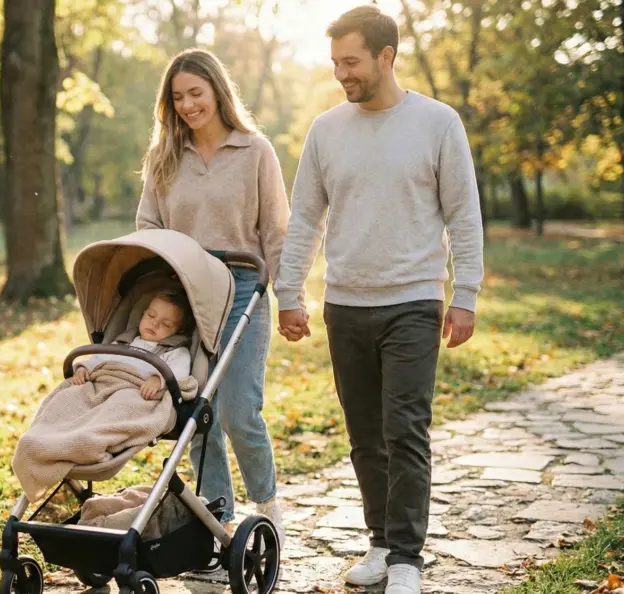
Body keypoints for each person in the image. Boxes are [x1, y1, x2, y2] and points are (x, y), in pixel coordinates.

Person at [274, 6, 484, 594]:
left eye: (352, 61)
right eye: (336, 62)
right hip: (345, 303)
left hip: (415, 300)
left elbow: (464, 216)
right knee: (365, 434)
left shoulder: (438, 123)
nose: (342, 73)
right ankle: (382, 543)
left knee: (405, 429)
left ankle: (408, 561)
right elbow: (306, 219)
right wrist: (289, 292)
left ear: (386, 57)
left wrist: (463, 294)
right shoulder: (325, 130)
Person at [136, 48, 295, 532]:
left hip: (243, 284)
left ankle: (267, 506)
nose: (186, 105)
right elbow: (148, 224)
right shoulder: (165, 155)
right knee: (197, 411)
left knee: (239, 411)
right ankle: (217, 517)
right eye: (177, 97)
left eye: (195, 93)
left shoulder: (254, 151)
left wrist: (292, 299)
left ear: (218, 92)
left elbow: (277, 232)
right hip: (185, 290)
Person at [72, 290, 195, 400]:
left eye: (166, 324)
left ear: (178, 331)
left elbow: (179, 374)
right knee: (72, 393)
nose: (154, 323)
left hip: (136, 394)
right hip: (106, 385)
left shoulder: (175, 351)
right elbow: (98, 359)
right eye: (151, 316)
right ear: (142, 315)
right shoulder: (123, 342)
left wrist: (158, 380)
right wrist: (84, 368)